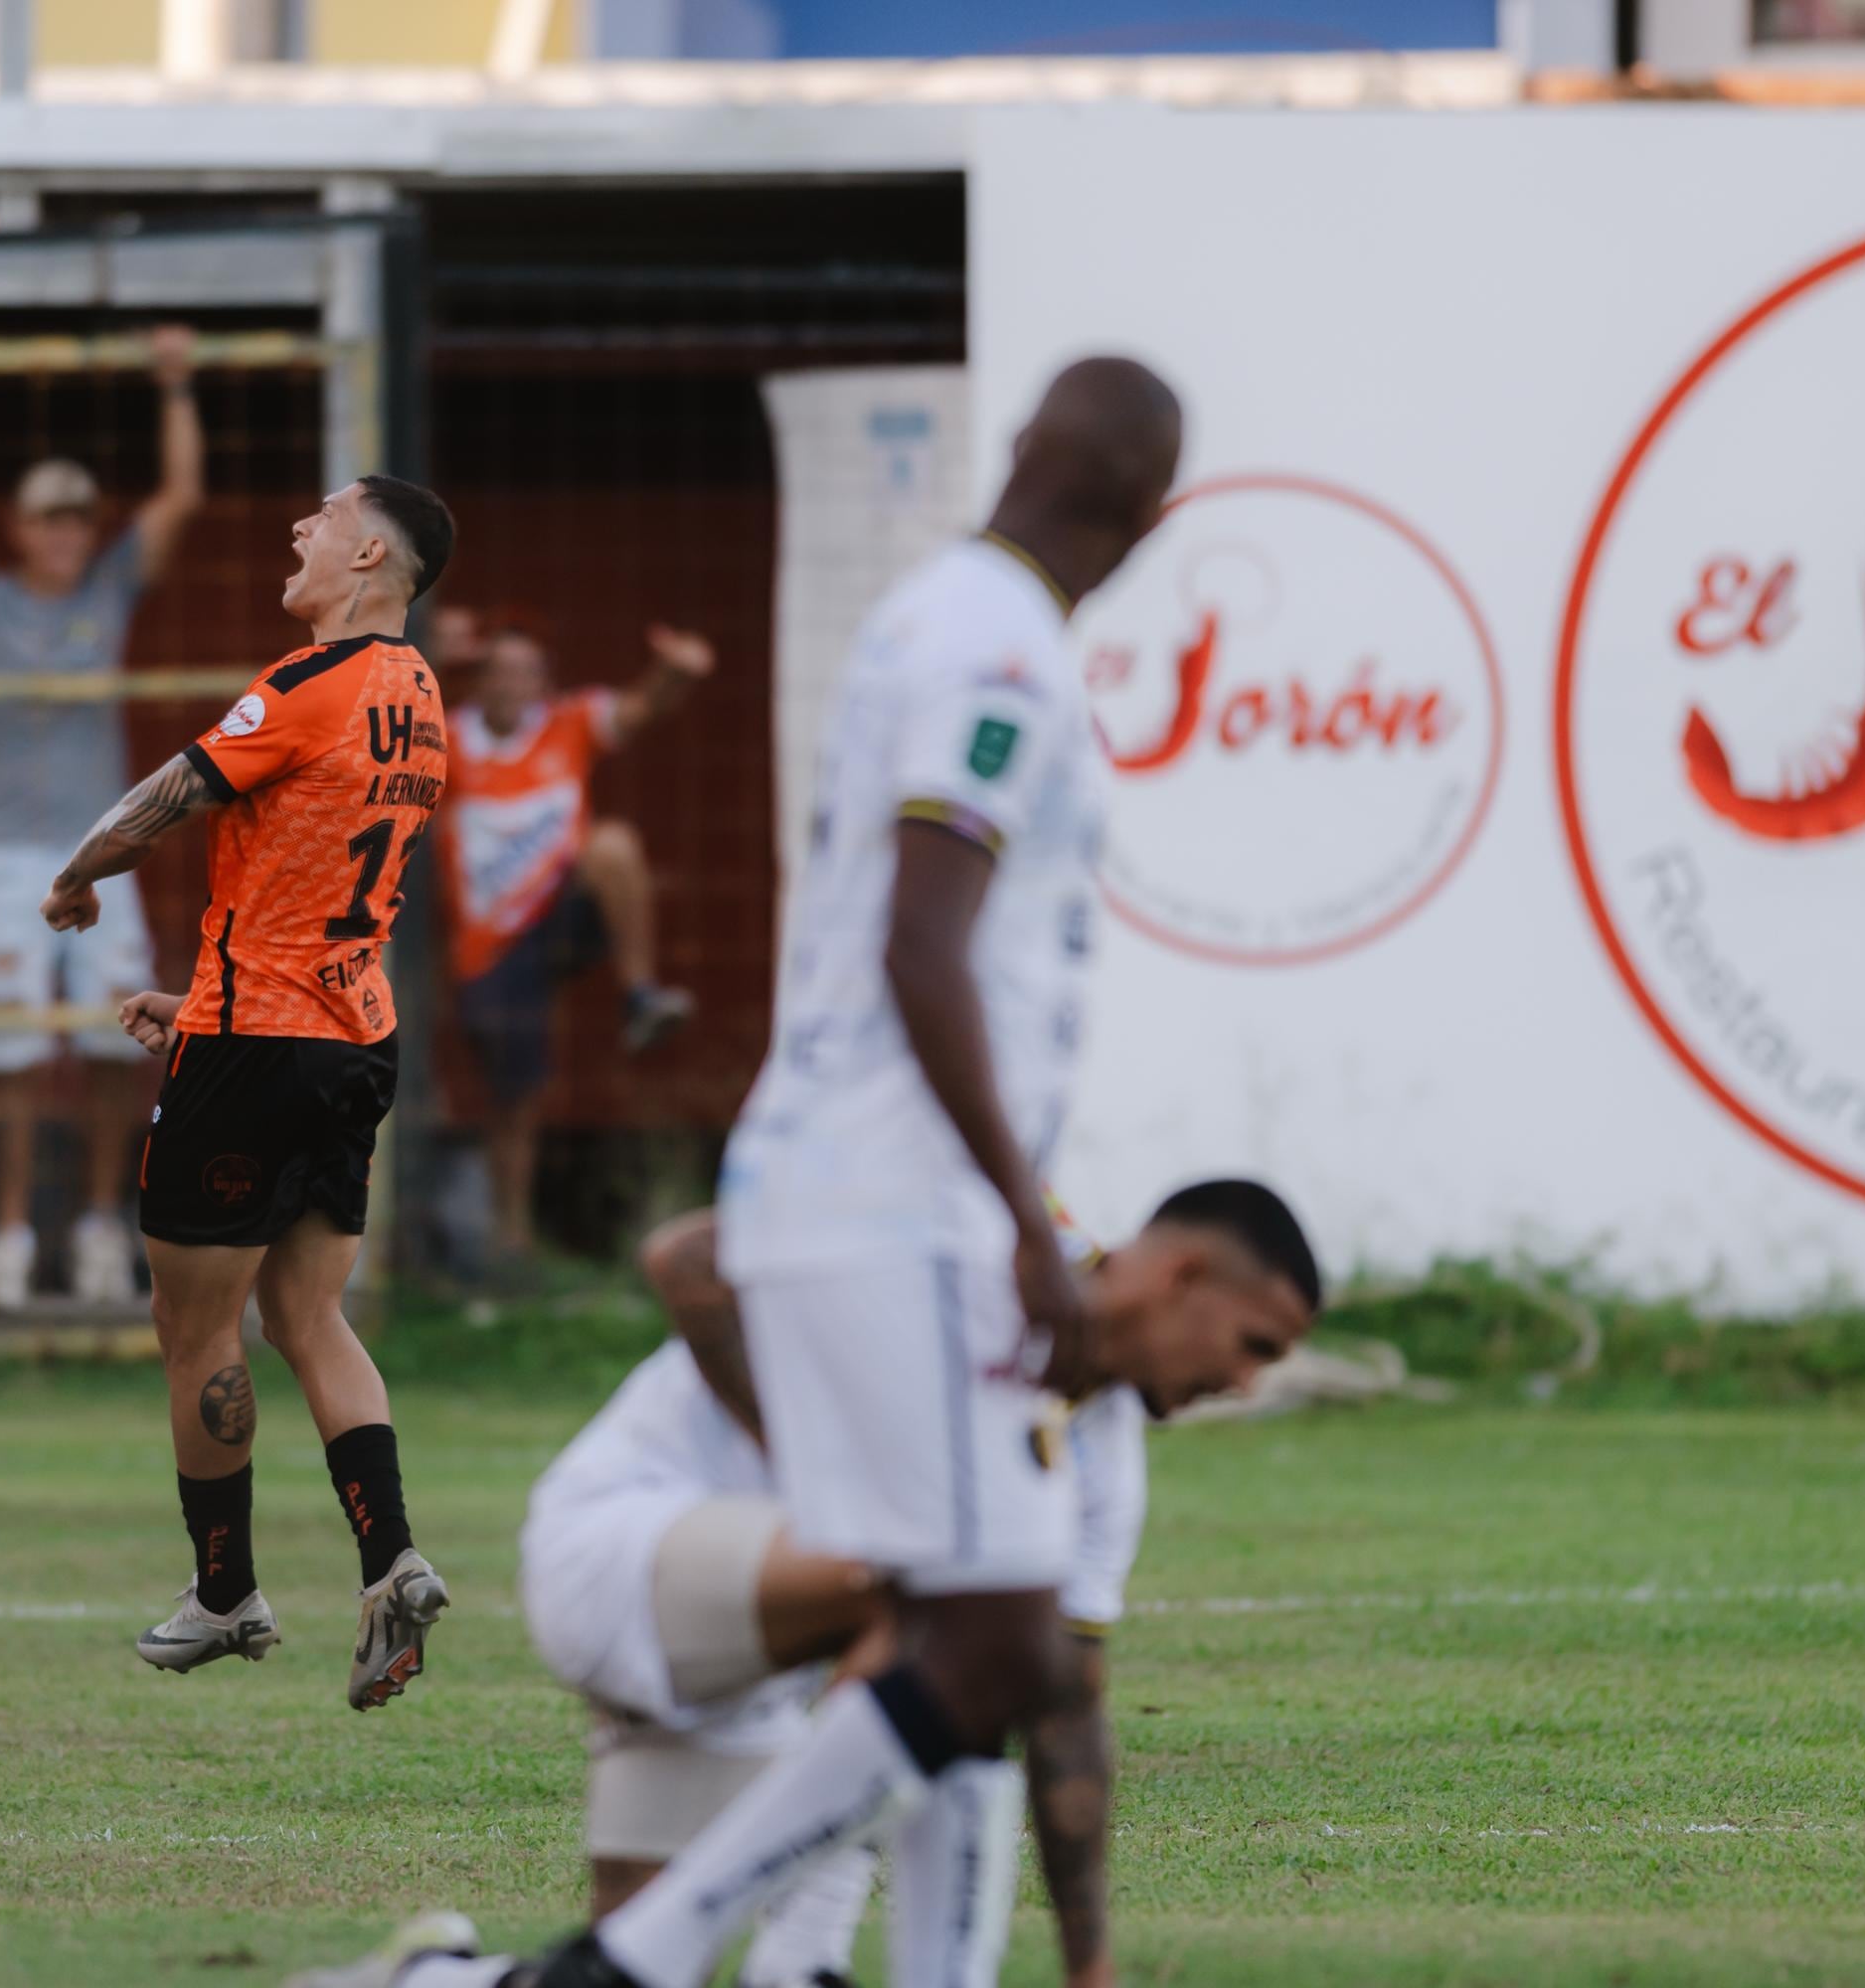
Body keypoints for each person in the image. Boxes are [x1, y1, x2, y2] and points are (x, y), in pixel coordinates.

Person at [524, 358, 1184, 1988]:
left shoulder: (925, 614)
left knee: (973, 1625)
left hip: (842, 1194)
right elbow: (923, 934)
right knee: (999, 1634)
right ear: (1150, 516)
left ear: (1024, 449)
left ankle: (740, 1963)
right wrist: (1025, 1218)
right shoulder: (999, 644)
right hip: (897, 1206)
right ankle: (639, 1964)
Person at [287, 1180, 1320, 1988]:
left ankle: (435, 1973)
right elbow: (685, 1257)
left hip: (760, 1652)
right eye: (1253, 1344)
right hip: (624, 1545)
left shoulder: (1103, 1465)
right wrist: (836, 1484)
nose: (1248, 1381)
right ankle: (806, 1958)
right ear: (1182, 1275)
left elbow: (1066, 1707)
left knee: (616, 1973)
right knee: (957, 1596)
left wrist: (1090, 1968)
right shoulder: (983, 1251)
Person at [56, 473, 460, 1711]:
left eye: (322, 517)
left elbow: (165, 799)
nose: (298, 527)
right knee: (310, 1317)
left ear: (371, 552)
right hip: (349, 1038)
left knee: (198, 1330)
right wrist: (204, 991)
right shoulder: (421, 698)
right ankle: (390, 1556)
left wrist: (77, 879)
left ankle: (225, 1589)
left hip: (252, 1049)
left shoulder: (305, 683)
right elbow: (317, 881)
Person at [0, 325, 204, 1308]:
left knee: (124, 1036)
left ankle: (102, 1222)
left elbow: (179, 501)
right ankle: (10, 1233)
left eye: (80, 516)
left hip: (103, 846)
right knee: (9, 1048)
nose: (69, 531)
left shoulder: (109, 591)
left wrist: (176, 388)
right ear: (19, 529)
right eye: (50, 518)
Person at [444, 618, 711, 1261]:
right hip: (492, 943)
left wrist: (678, 669)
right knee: (515, 1099)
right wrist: (427, 650)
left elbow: (642, 707)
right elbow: (379, 715)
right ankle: (511, 1239)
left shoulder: (567, 725)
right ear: (479, 679)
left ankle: (639, 995)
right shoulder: (447, 737)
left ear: (543, 683)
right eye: (498, 670)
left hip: (562, 917)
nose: (511, 684)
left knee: (614, 845)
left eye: (524, 672)